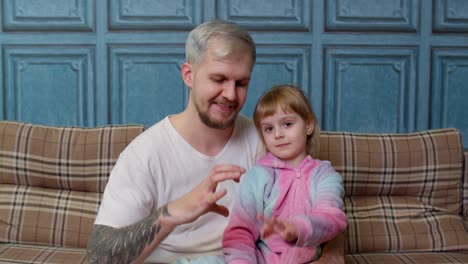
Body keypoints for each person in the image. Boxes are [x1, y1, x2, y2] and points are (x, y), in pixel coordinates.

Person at [86, 20, 259, 264]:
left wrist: (332, 250)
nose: (231, 94)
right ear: (189, 75)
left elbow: (318, 198)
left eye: (241, 83)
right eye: (219, 79)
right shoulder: (144, 154)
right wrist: (173, 213)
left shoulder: (262, 140)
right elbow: (99, 257)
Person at [222, 85, 348, 263]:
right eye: (269, 129)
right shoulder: (258, 176)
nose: (278, 134)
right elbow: (240, 231)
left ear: (309, 125)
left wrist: (298, 228)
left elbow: (331, 217)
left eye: (287, 124)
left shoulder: (324, 175)